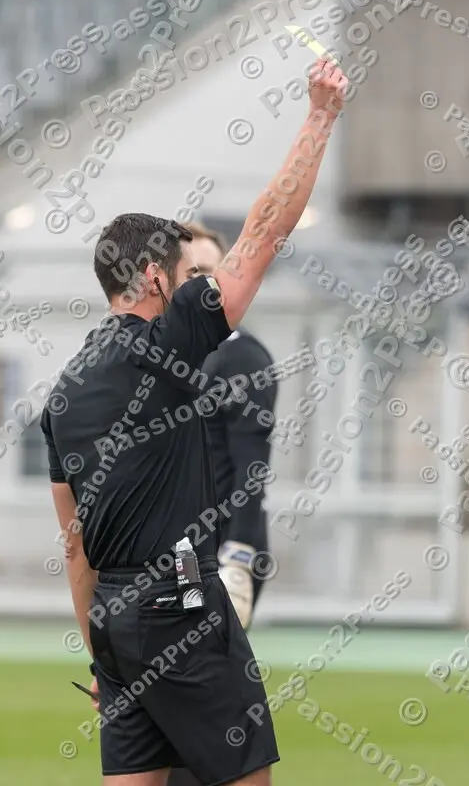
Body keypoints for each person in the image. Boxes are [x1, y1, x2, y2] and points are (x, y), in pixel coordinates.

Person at [43, 57, 347, 786]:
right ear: (154, 279)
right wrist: (319, 117)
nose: (194, 287)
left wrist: (99, 651)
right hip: (178, 604)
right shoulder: (170, 342)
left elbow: (76, 549)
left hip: (114, 619)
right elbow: (266, 230)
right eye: (185, 275)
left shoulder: (63, 393)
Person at [164, 224, 280, 786]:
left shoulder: (242, 357)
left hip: (211, 553)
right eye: (192, 273)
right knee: (169, 693)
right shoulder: (165, 354)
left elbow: (249, 468)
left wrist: (237, 560)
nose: (204, 284)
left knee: (202, 688)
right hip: (175, 550)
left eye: (212, 272)